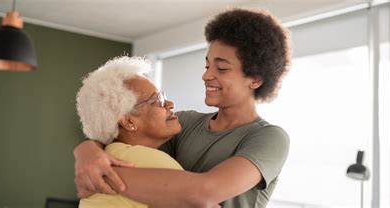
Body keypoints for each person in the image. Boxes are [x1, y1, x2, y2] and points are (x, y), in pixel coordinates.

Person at [74, 7, 291, 208]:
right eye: (207, 65)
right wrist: (86, 151)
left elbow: (205, 192)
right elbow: (121, 137)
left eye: (222, 68)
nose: (206, 75)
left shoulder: (270, 138)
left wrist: (101, 176)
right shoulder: (184, 124)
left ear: (255, 79)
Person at [75, 56, 185, 208]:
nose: (170, 104)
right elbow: (205, 198)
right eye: (157, 100)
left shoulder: (108, 155)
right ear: (128, 121)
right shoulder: (147, 161)